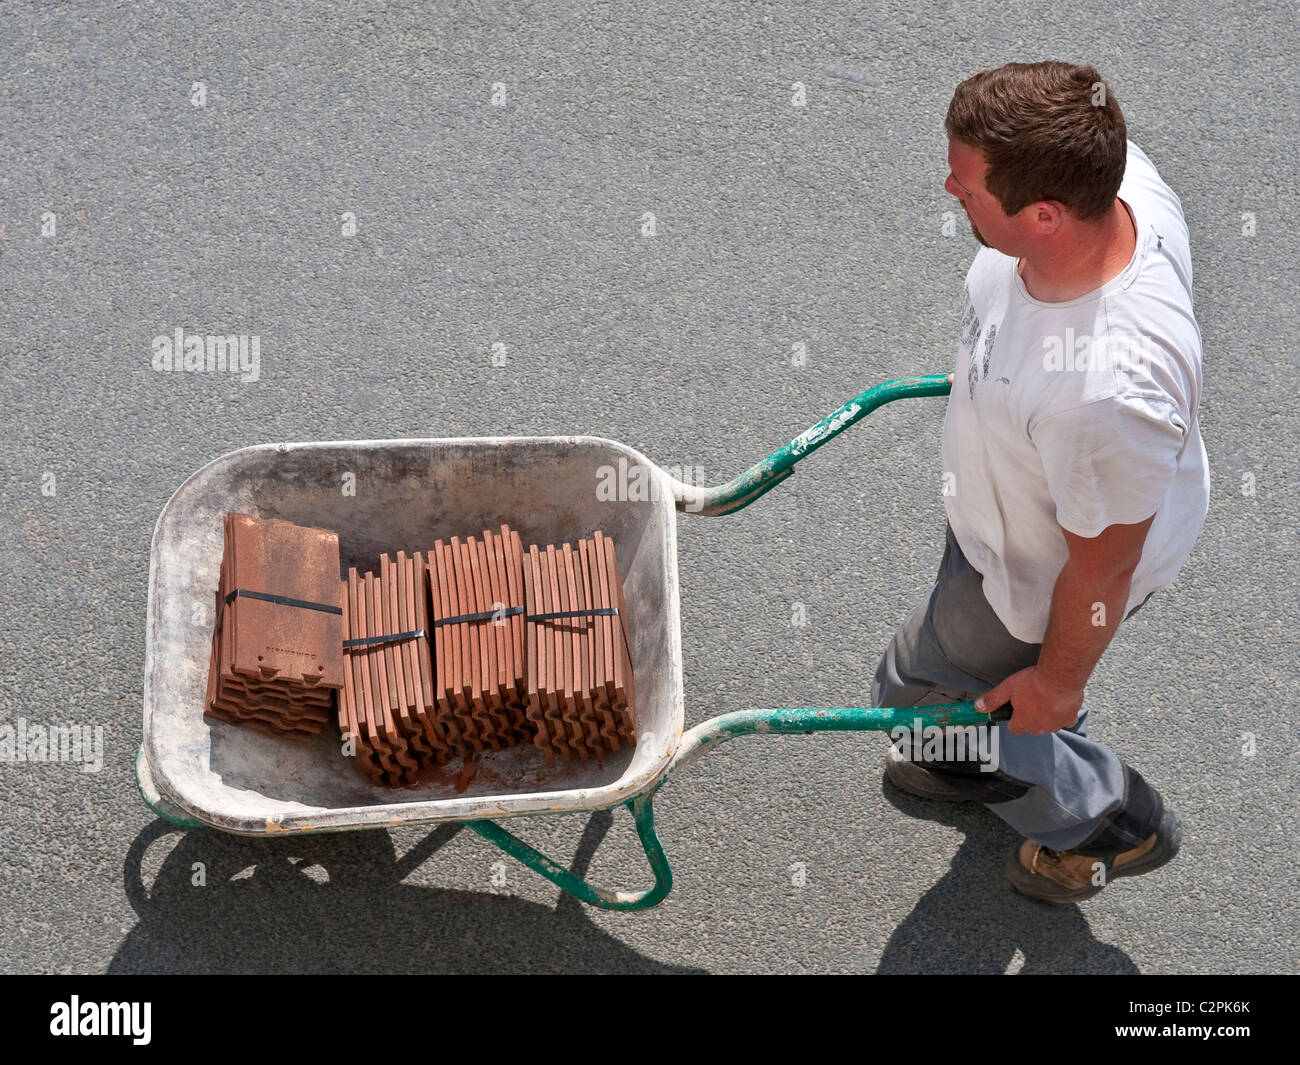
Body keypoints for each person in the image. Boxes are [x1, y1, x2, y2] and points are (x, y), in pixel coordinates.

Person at [871, 61, 1209, 904]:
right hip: (1007, 515)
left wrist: (1057, 683)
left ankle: (1100, 821)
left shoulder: (1106, 393)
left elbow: (1100, 570)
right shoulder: (1117, 173)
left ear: (1046, 215)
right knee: (957, 706)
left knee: (915, 699)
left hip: (1041, 573)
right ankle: (993, 756)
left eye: (969, 186)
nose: (949, 186)